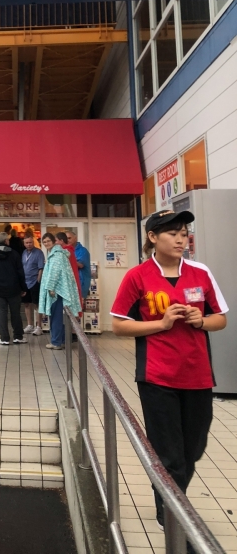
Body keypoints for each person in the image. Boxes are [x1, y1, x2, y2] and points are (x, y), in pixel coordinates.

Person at [111, 210, 228, 531]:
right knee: (169, 452)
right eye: (172, 233)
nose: (180, 240)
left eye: (184, 233)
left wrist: (201, 321)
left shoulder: (200, 273)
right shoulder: (138, 276)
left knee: (193, 448)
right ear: (152, 237)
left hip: (198, 375)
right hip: (156, 375)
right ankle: (172, 514)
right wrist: (161, 324)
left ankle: (172, 498)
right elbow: (119, 325)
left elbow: (220, 319)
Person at [38, 233, 81, 350]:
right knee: (59, 317)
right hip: (61, 290)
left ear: (54, 241)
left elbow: (54, 273)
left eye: (48, 241)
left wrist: (51, 288)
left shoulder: (56, 255)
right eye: (44, 242)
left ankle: (56, 342)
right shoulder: (59, 253)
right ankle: (61, 340)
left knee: (55, 316)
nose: (46, 243)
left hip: (56, 291)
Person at [0, 231, 28, 345]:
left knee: (1, 313)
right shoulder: (15, 254)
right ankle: (18, 336)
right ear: (6, 241)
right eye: (8, 239)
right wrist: (23, 288)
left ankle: (4, 338)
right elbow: (20, 273)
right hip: (14, 289)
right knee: (15, 313)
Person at [21, 234, 45, 335]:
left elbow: (41, 268)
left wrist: (38, 281)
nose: (29, 244)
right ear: (24, 244)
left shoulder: (39, 253)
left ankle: (39, 326)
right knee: (26, 304)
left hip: (35, 282)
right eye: (26, 243)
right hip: (25, 282)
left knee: (37, 304)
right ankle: (30, 325)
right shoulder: (24, 253)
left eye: (30, 242)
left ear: (33, 242)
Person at [55, 232, 82, 308]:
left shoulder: (65, 252)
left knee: (69, 306)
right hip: (72, 279)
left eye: (56, 240)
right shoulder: (69, 250)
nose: (55, 243)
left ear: (61, 241)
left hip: (69, 280)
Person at [66, 230, 91, 300]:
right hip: (70, 285)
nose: (67, 240)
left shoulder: (83, 251)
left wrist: (66, 259)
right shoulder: (66, 250)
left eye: (69, 238)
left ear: (75, 238)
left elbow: (80, 265)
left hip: (80, 284)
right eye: (66, 238)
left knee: (78, 306)